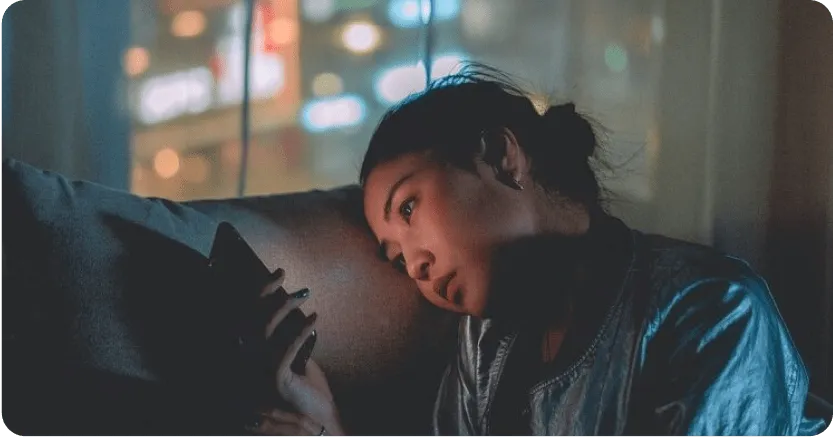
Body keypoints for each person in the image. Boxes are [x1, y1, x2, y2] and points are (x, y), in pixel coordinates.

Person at [243, 64, 827, 436]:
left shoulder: (712, 311)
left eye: (410, 208)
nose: (415, 265)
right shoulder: (485, 349)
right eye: (396, 259)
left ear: (501, 155)